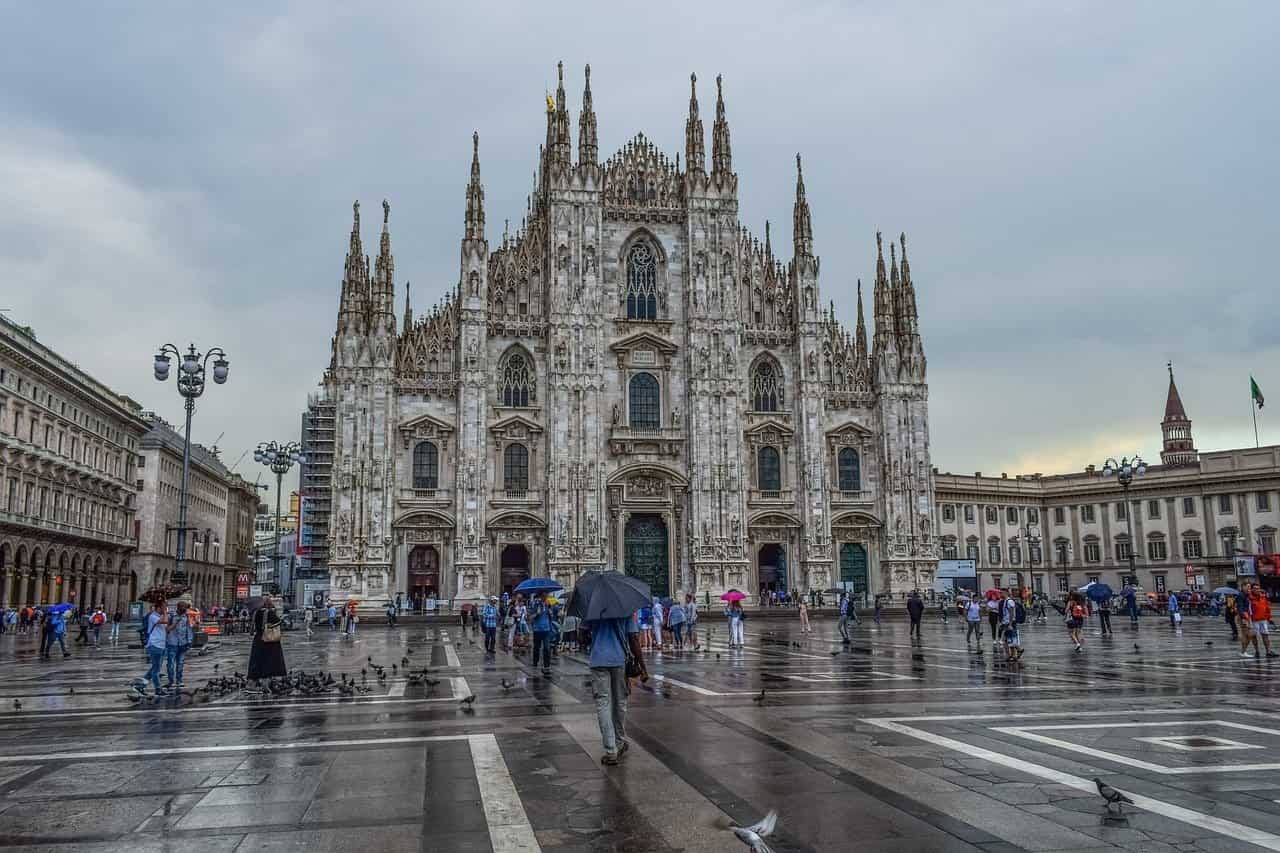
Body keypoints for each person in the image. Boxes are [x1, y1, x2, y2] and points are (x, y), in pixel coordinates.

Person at [586, 611, 646, 766]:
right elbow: (633, 638)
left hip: (598, 660)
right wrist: (643, 666)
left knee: (603, 703)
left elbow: (581, 636)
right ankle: (619, 741)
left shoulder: (592, 608)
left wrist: (595, 638)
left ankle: (610, 750)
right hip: (619, 660)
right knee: (620, 702)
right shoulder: (624, 608)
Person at [247, 596, 288, 690]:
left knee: (257, 660)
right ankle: (266, 680)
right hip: (268, 639)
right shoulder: (269, 612)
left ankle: (253, 681)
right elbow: (278, 622)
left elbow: (253, 625)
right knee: (269, 660)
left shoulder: (255, 613)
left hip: (258, 639)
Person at [139, 602, 168, 694]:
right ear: (158, 608)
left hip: (161, 644)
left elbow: (166, 628)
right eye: (164, 607)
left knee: (155, 668)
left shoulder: (160, 616)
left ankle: (140, 685)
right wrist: (165, 613)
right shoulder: (152, 616)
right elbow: (164, 621)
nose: (165, 609)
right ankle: (158, 689)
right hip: (155, 645)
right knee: (156, 670)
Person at [166, 601, 194, 689]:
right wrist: (176, 622)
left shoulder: (185, 616)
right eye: (184, 608)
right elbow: (167, 629)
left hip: (183, 643)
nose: (185, 610)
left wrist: (189, 640)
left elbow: (188, 629)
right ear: (179, 607)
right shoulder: (171, 615)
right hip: (172, 643)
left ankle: (179, 680)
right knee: (171, 663)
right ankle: (171, 680)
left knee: (180, 663)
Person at [1246, 583, 1277, 659]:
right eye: (1255, 588)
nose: (1257, 590)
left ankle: (1268, 651)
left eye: (1258, 588)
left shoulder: (1263, 597)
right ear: (1252, 589)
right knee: (1254, 636)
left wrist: (1269, 618)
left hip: (1263, 619)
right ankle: (1257, 651)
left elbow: (1267, 608)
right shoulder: (1249, 598)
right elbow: (1247, 610)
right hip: (1254, 620)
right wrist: (1248, 620)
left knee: (1265, 635)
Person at [529, 591, 553, 674]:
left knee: (547, 648)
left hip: (546, 629)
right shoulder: (535, 604)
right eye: (544, 595)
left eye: (546, 595)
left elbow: (552, 616)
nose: (545, 597)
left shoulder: (548, 604)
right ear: (540, 596)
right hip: (537, 629)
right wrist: (537, 614)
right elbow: (530, 617)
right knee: (537, 647)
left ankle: (547, 666)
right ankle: (535, 661)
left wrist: (551, 613)